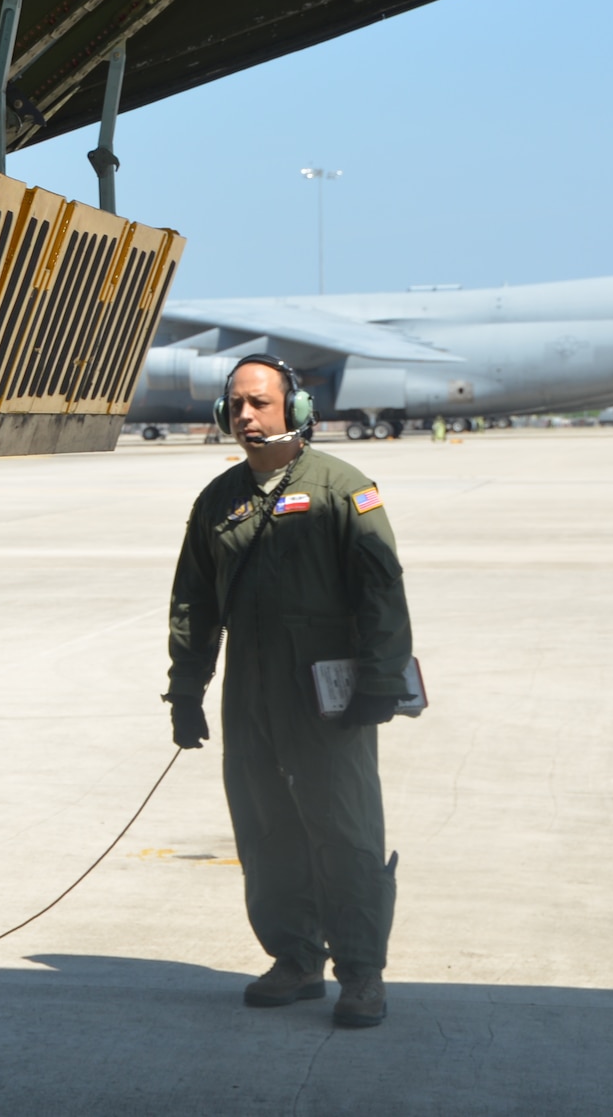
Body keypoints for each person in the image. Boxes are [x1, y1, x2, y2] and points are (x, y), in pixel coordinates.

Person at [163, 355, 415, 1028]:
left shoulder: (343, 488)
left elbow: (382, 593)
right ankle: (295, 959)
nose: (245, 415)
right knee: (265, 826)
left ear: (295, 411)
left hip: (328, 700)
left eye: (260, 403)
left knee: (345, 829)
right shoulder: (219, 500)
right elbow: (192, 601)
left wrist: (381, 682)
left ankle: (361, 972)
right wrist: (187, 689)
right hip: (249, 697)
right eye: (235, 404)